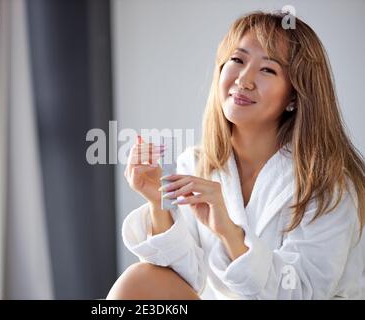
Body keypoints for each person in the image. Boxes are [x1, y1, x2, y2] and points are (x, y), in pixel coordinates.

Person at [107, 11, 365, 300]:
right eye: (238, 60)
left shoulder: (328, 185)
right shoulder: (197, 165)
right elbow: (180, 280)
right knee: (140, 279)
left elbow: (303, 291)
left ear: (294, 96)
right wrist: (158, 202)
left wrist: (231, 234)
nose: (244, 79)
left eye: (268, 69)